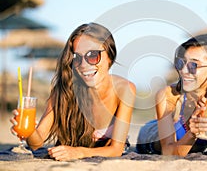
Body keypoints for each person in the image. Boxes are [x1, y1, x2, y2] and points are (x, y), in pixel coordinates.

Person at [10, 22, 136, 161]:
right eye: (77, 58)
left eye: (93, 55)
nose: (84, 65)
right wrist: (29, 131)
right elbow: (36, 142)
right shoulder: (64, 90)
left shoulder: (124, 90)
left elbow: (116, 150)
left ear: (110, 56)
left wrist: (79, 152)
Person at [136, 33, 207, 159]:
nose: (184, 71)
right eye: (181, 63)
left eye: (193, 65)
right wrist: (192, 133)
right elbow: (168, 152)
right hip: (150, 138)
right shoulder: (168, 95)